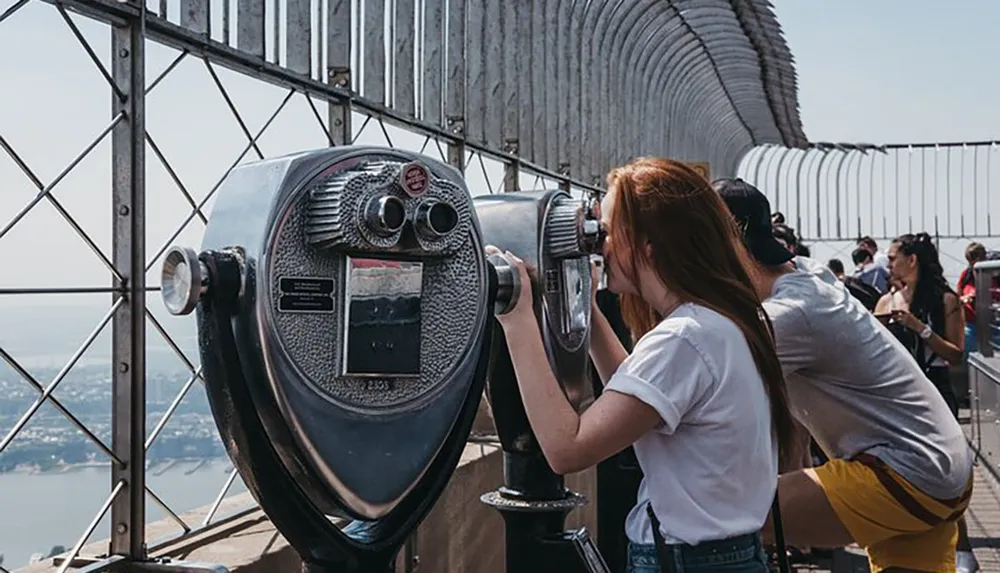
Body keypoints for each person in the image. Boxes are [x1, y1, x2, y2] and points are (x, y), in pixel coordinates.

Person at [487, 158, 796, 573]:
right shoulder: (717, 323)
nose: (598, 242)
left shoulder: (684, 338)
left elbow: (566, 448)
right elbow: (633, 396)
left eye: (610, 230)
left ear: (650, 243)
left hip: (691, 562)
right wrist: (585, 305)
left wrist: (516, 316)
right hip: (724, 557)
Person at [714, 178, 974, 573]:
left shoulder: (791, 313)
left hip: (905, 474)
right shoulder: (809, 276)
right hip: (943, 463)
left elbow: (692, 383)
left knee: (721, 514)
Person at [957, 242, 987, 355]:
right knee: (970, 357)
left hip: (993, 326)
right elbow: (957, 298)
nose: (972, 263)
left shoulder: (995, 274)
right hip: (970, 325)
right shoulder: (966, 275)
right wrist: (964, 299)